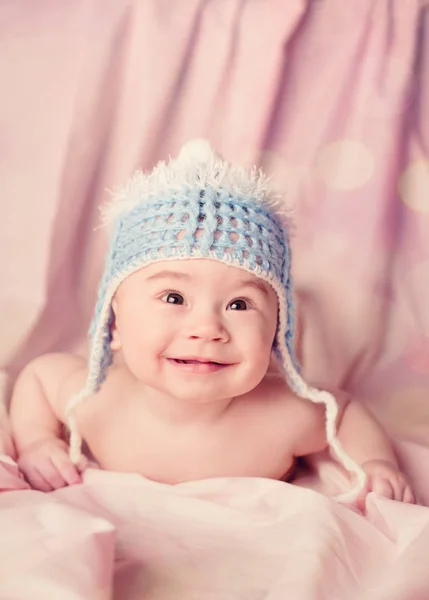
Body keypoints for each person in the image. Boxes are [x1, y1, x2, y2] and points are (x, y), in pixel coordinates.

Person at [9, 140, 414, 509]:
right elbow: (38, 379)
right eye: (174, 298)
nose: (207, 329)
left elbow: (344, 414)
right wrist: (38, 440)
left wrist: (375, 462)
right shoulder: (95, 399)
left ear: (276, 330)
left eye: (240, 304)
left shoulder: (284, 416)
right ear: (112, 323)